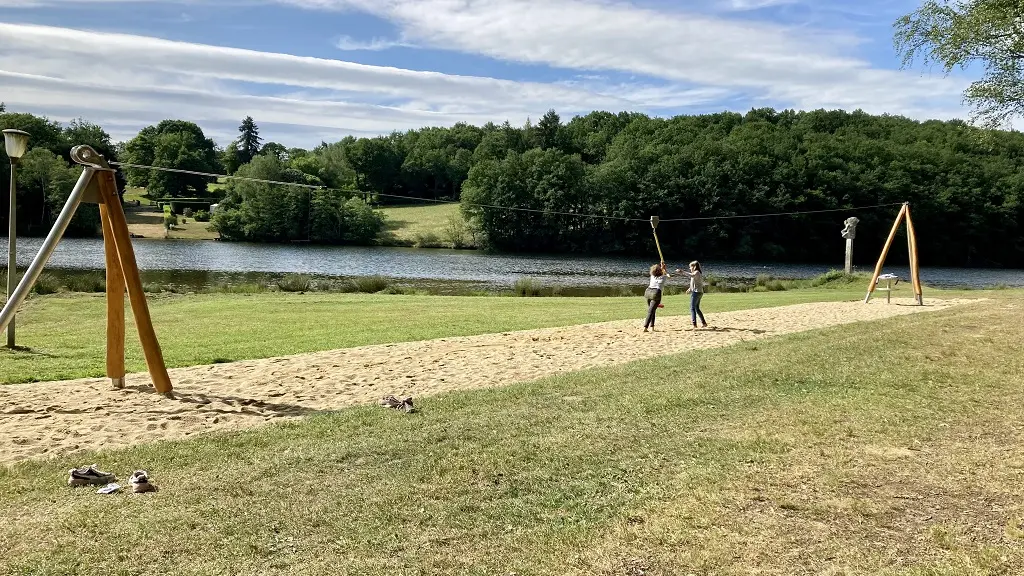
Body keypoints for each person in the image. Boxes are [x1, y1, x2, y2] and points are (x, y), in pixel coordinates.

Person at [675, 260, 708, 328]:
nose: (690, 268)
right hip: (698, 292)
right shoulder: (696, 273)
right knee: (696, 308)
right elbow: (695, 283)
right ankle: (704, 323)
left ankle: (694, 324)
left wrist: (682, 271)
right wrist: (690, 289)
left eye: (690, 267)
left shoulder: (696, 272)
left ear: (694, 267)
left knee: (692, 308)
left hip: (696, 293)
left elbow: (691, 275)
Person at [643, 262, 669, 332]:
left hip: (648, 293)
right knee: (651, 311)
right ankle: (645, 327)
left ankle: (652, 327)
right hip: (656, 294)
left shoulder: (652, 276)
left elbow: (659, 273)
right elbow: (669, 276)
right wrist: (664, 269)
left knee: (652, 311)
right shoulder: (663, 277)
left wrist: (662, 268)